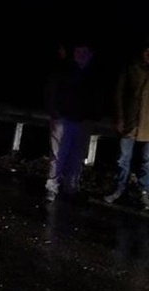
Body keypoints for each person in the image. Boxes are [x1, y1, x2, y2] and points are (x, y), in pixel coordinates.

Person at [44, 40, 101, 202]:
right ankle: (52, 186)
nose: (81, 55)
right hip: (63, 118)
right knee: (58, 154)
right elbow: (51, 90)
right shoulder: (63, 69)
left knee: (77, 156)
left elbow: (97, 97)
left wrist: (94, 116)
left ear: (90, 55)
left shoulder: (93, 74)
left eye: (84, 52)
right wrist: (54, 111)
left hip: (83, 120)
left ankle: (71, 186)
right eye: (78, 52)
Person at [103, 41, 149, 208]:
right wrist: (120, 118)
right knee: (123, 159)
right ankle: (118, 188)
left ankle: (145, 192)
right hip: (130, 122)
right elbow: (119, 94)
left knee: (147, 161)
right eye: (146, 50)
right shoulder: (130, 68)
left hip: (148, 124)